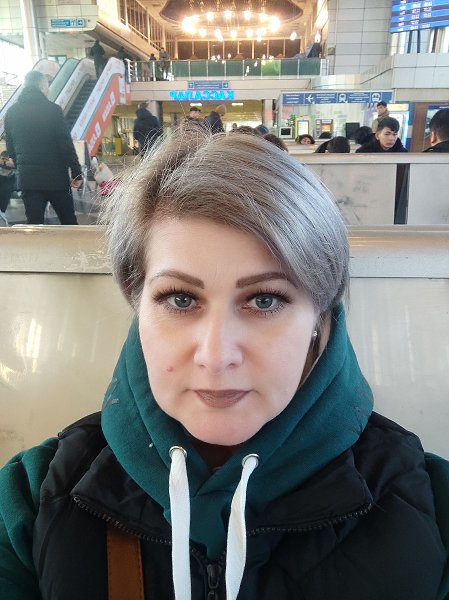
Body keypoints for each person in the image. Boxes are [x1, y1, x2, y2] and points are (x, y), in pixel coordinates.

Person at [0, 129, 448, 599]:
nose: (216, 357)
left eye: (265, 300)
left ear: (320, 317)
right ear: (137, 305)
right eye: (180, 299)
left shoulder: (430, 510)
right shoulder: (32, 501)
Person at [4, 70, 81, 225]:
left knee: (35, 225)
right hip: (56, 179)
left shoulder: (11, 112)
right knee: (69, 222)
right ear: (43, 87)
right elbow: (66, 144)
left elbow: (10, 148)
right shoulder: (53, 110)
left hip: (28, 181)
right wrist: (76, 172)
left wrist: (22, 167)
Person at [0, 150, 15, 225]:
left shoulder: (12, 170)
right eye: (3, 159)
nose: (4, 161)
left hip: (7, 185)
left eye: (6, 159)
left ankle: (2, 213)